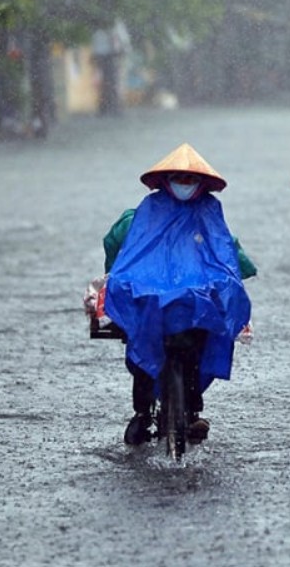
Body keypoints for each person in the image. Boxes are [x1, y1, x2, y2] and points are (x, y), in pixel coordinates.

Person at [98, 143, 256, 446]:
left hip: (190, 306)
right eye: (178, 178)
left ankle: (173, 410)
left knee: (187, 347)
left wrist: (235, 277)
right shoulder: (141, 215)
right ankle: (147, 411)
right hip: (154, 302)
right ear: (166, 180)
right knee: (148, 345)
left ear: (200, 183)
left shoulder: (208, 213)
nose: (184, 184)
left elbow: (226, 249)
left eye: (189, 179)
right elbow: (122, 254)